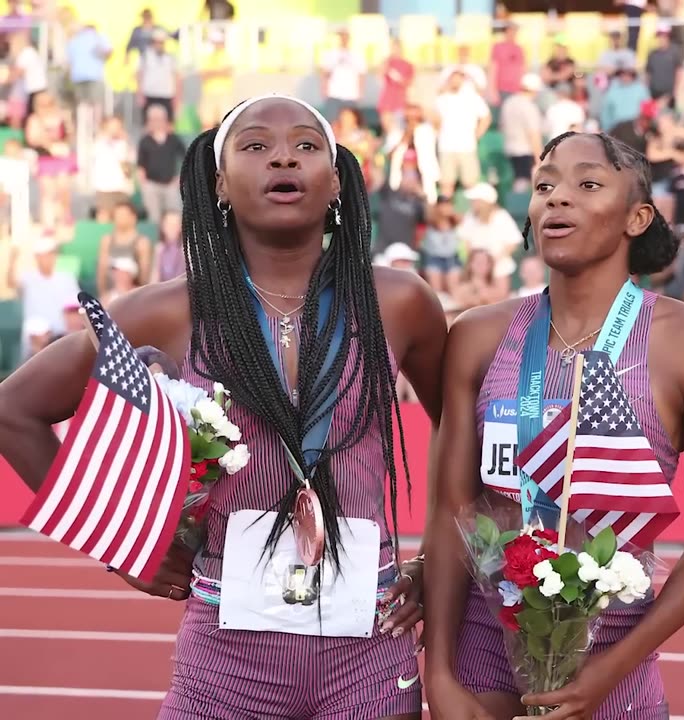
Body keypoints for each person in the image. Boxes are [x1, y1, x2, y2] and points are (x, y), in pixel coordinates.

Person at [0, 95, 448, 720]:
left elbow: (464, 428)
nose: (284, 156)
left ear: (338, 180)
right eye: (256, 145)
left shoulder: (399, 302)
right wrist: (125, 546)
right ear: (219, 185)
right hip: (226, 658)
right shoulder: (165, 312)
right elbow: (13, 409)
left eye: (306, 145)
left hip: (371, 649)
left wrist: (437, 559)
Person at [422, 131, 684, 720]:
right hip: (481, 652)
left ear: (637, 217)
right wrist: (438, 672)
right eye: (544, 186)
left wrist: (611, 667)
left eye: (587, 184)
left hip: (613, 654)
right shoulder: (477, 335)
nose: (557, 199)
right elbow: (453, 511)